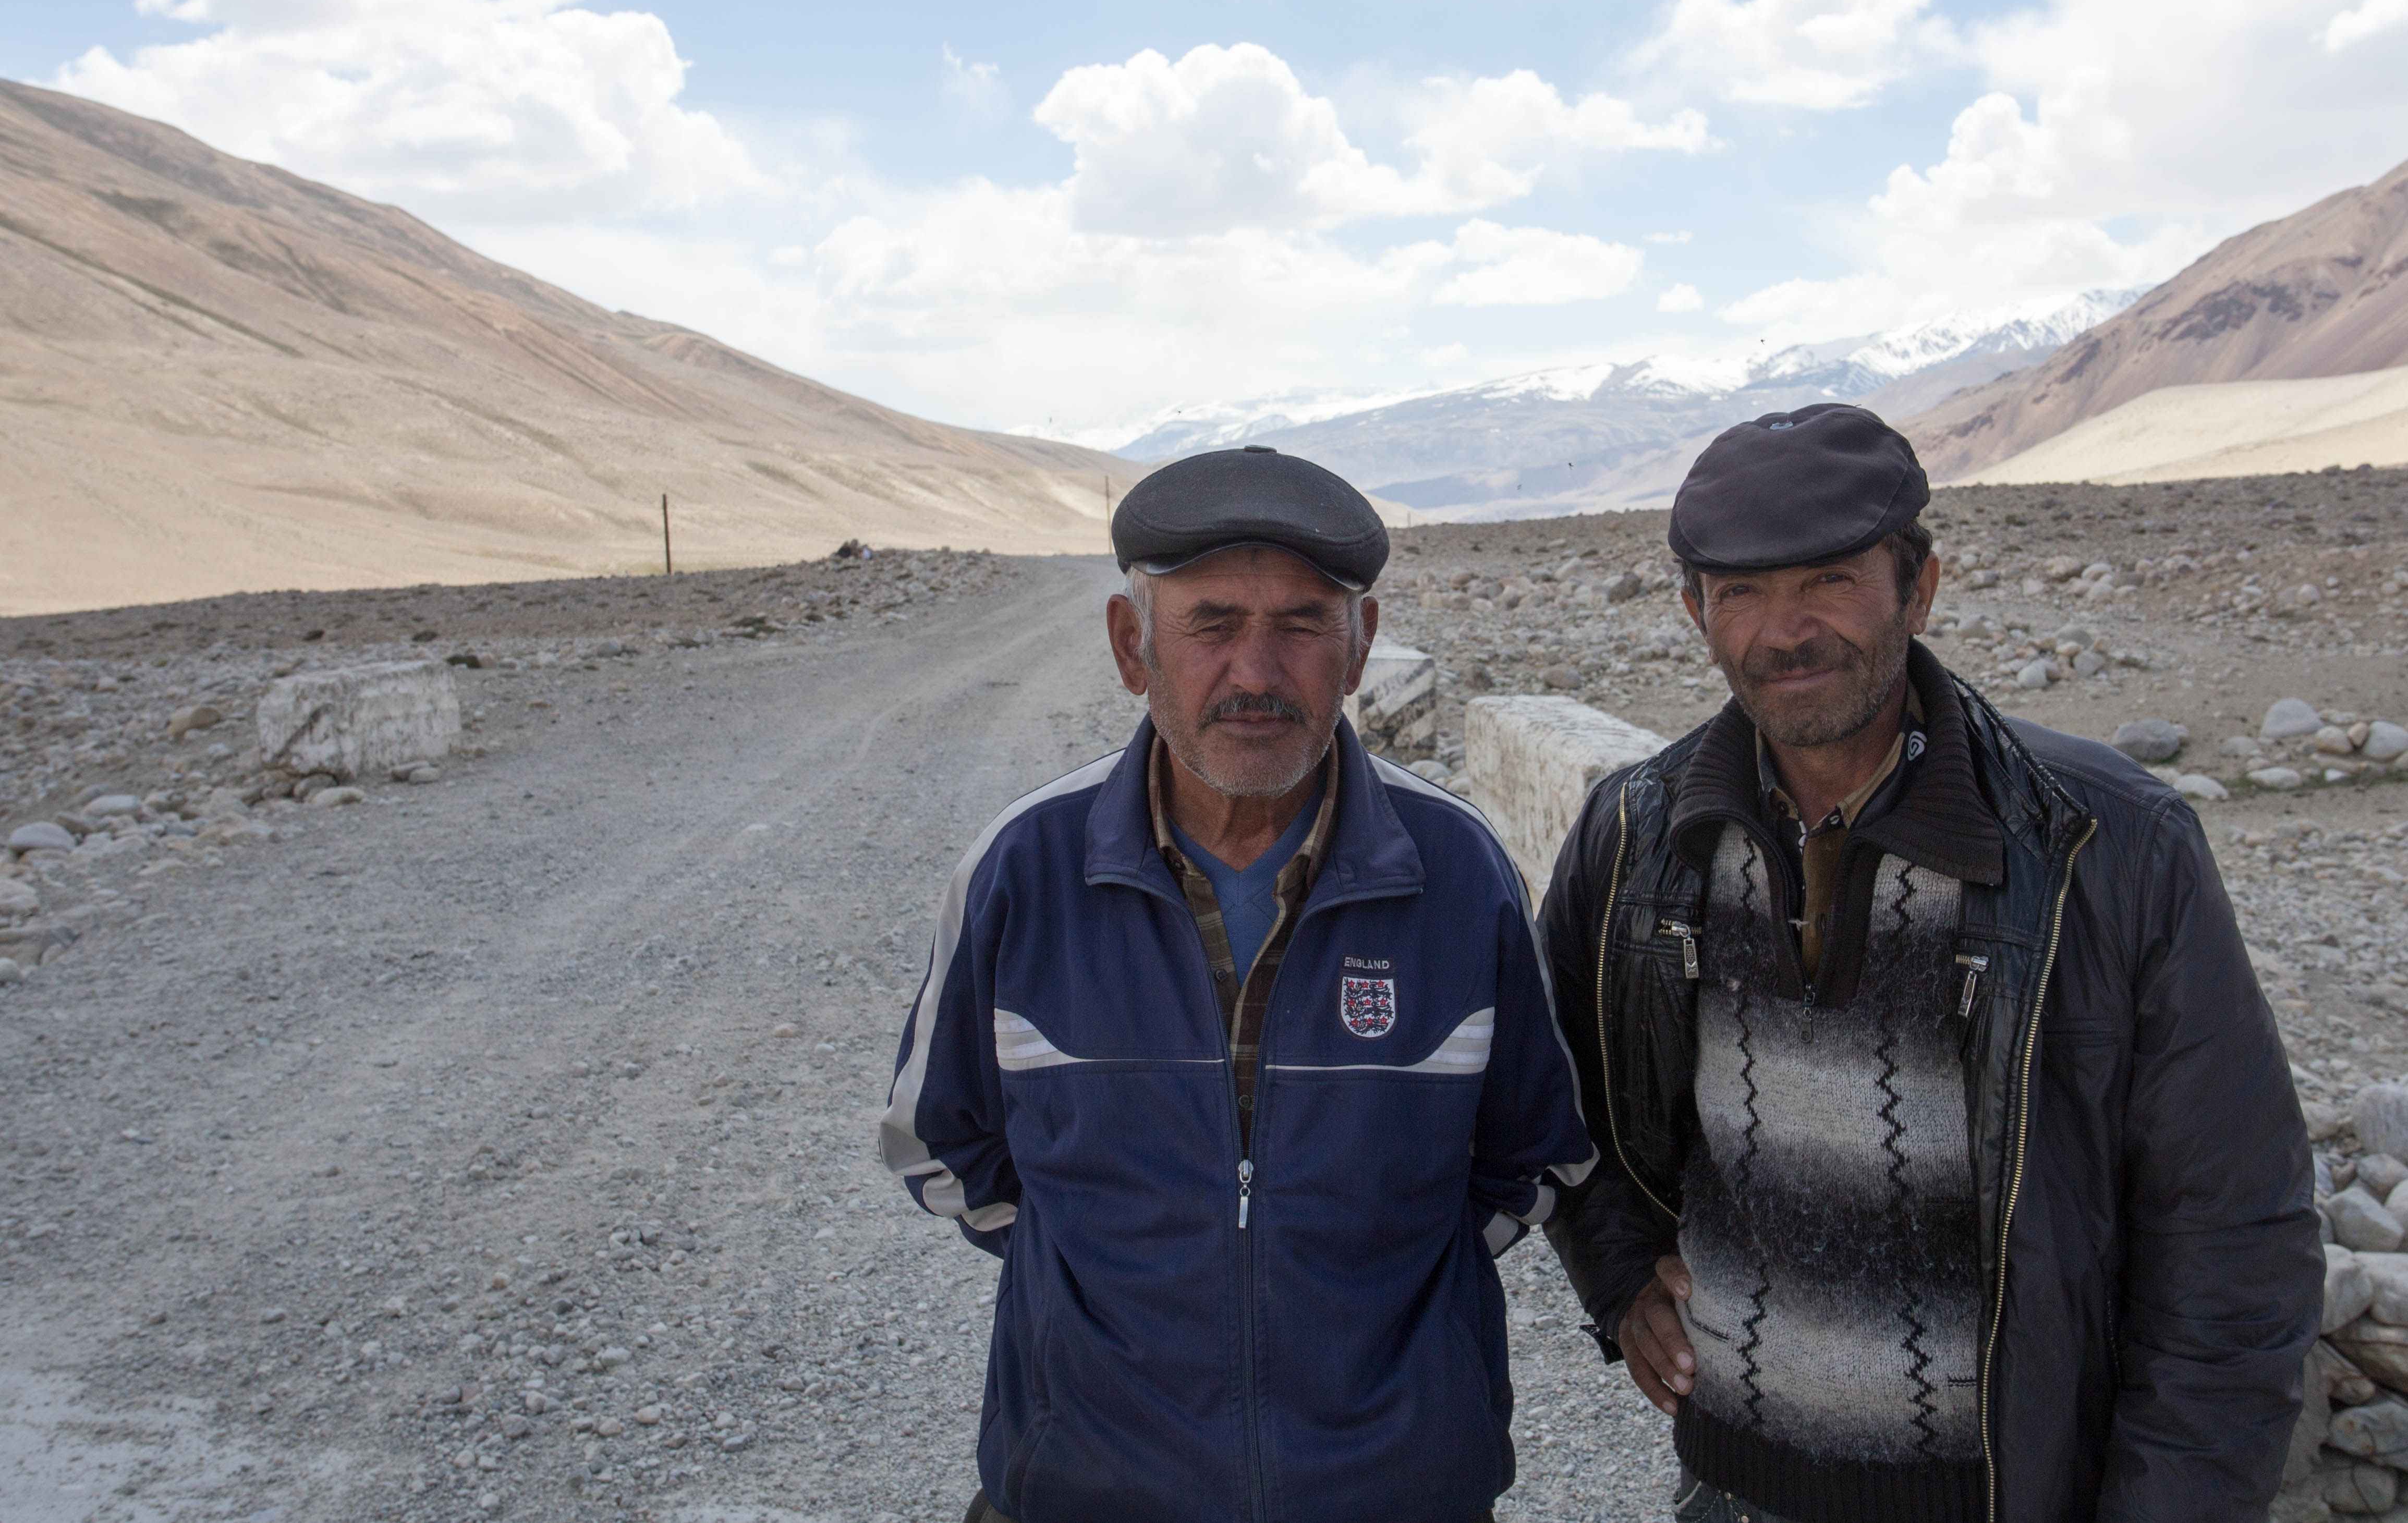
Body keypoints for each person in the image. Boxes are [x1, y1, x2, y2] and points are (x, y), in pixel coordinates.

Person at [1537, 404, 2322, 1523]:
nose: (1783, 630)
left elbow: (2233, 1239)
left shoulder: (2104, 847)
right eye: (1739, 592)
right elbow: (1551, 1093)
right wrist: (1617, 1275)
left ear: (1920, 586)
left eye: (1828, 580)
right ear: (1691, 611)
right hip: (1728, 1493)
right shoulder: (1636, 837)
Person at [879, 446, 1597, 1523]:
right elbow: (942, 1146)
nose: (1256, 673)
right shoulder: (1023, 869)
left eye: (1302, 625)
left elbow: (1530, 1155)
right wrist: (1104, 1292)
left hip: (1392, 1495)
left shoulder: (1458, 872)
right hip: (1087, 1493)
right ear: (1133, 648)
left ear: (1358, 648)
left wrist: (1385, 1300)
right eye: (1211, 625)